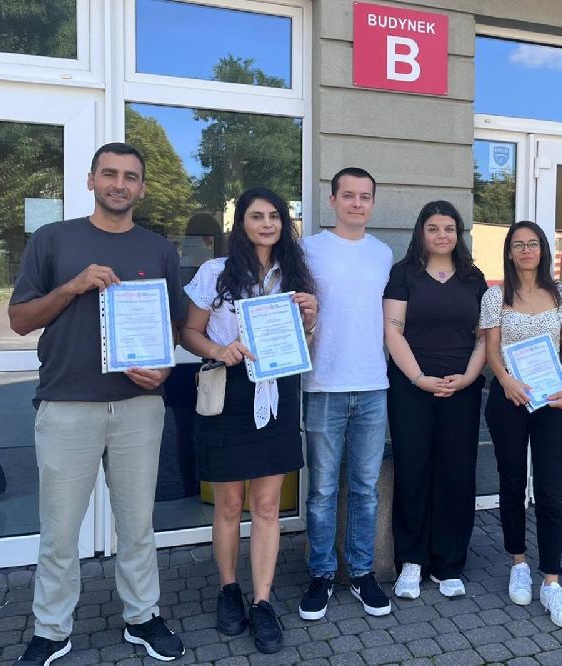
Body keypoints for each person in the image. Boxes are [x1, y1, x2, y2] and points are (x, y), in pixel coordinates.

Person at [8, 143, 186, 665]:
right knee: (60, 531)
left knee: (138, 525)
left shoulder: (159, 250)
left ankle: (143, 616)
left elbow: (173, 326)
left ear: (142, 188)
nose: (119, 184)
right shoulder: (53, 239)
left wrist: (164, 368)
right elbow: (19, 320)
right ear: (91, 180)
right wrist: (73, 286)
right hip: (67, 404)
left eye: (130, 177)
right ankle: (51, 629)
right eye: (110, 174)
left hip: (138, 406)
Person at [180, 187, 317, 654]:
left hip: (277, 393)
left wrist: (310, 321)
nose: (267, 224)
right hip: (229, 393)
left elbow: (303, 345)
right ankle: (228, 589)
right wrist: (219, 349)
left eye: (274, 216)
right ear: (241, 223)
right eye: (257, 216)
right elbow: (189, 332)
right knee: (227, 505)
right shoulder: (215, 272)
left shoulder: (294, 275)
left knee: (267, 507)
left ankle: (262, 601)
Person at [299, 167, 394, 620]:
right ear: (332, 199)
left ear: (372, 202)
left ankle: (360, 573)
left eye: (365, 196)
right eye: (349, 195)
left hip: (373, 383)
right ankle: (320, 574)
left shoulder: (382, 253)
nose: (357, 203)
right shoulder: (308, 249)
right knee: (321, 490)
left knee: (365, 488)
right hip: (323, 384)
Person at [479, 221, 562, 629]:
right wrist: (505, 381)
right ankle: (518, 562)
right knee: (511, 483)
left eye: (533, 244)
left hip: (552, 401)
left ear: (543, 250)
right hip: (509, 399)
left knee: (551, 490)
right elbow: (491, 348)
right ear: (509, 251)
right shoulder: (495, 295)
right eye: (518, 244)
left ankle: (552, 581)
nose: (526, 250)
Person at [384, 201, 487, 600]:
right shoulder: (403, 274)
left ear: (458, 234)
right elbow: (393, 332)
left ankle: (449, 564)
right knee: (413, 470)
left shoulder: (473, 278)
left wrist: (469, 377)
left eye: (449, 228)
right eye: (433, 228)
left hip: (462, 388)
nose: (441, 235)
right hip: (412, 387)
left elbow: (484, 337)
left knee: (456, 472)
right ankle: (411, 561)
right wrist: (419, 378)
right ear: (421, 232)